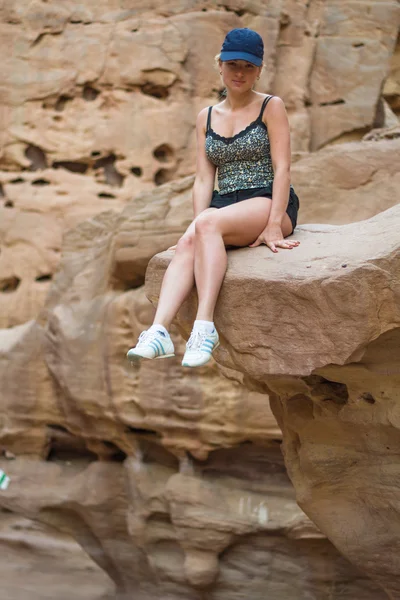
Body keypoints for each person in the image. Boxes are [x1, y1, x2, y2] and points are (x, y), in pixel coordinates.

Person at [127, 27, 300, 368]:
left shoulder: (270, 106)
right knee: (192, 238)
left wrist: (273, 224)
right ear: (219, 65)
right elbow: (204, 178)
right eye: (233, 64)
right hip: (224, 206)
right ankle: (158, 332)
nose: (240, 72)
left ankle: (204, 327)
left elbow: (283, 169)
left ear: (259, 70)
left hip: (266, 199)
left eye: (248, 66)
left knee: (206, 223)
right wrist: (194, 228)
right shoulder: (205, 117)